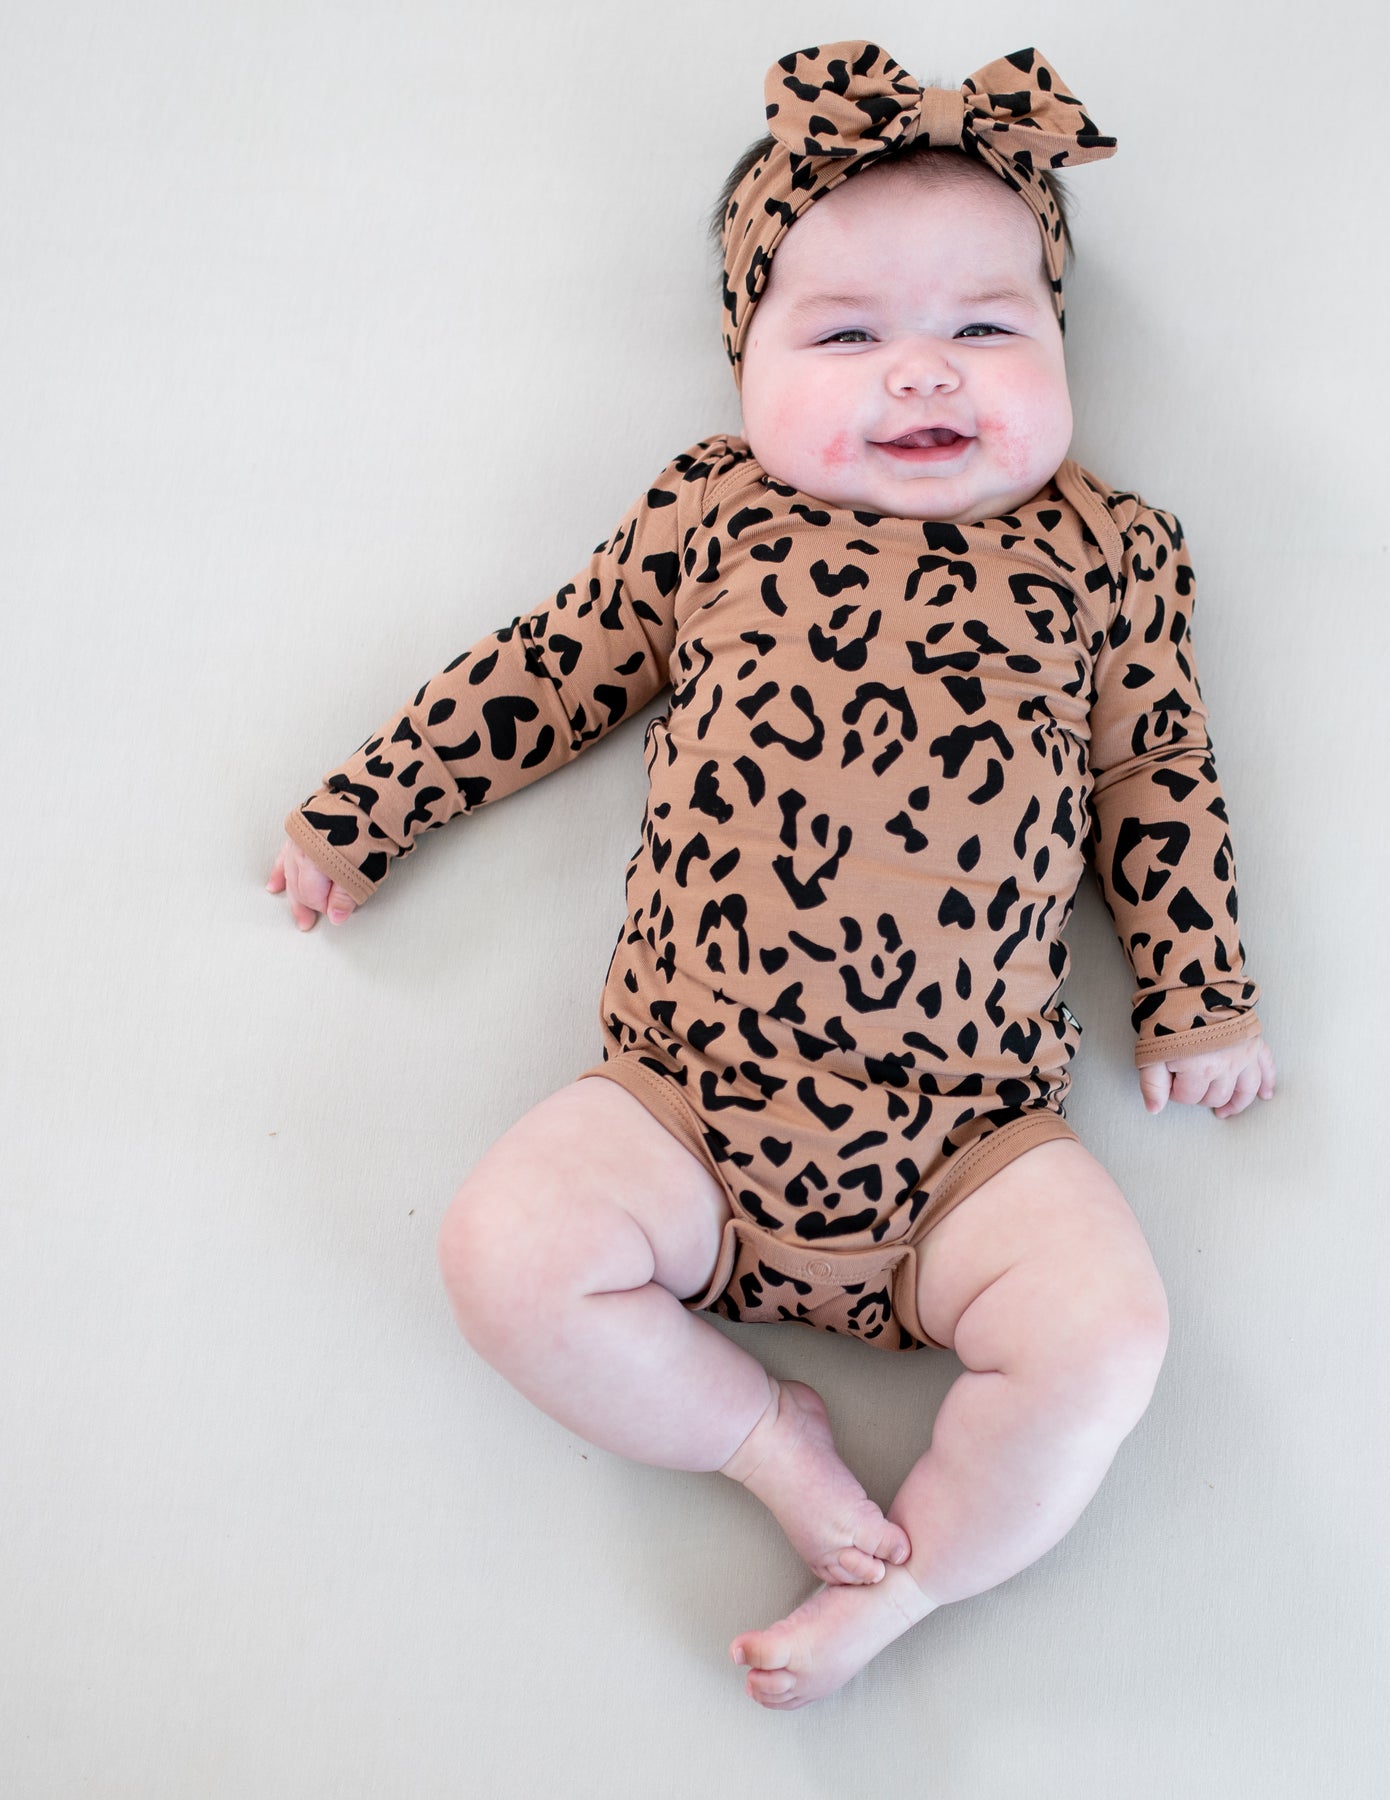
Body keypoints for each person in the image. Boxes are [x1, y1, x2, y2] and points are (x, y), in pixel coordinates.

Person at [266, 41, 1276, 1709]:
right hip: (684, 1108)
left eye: (987, 329)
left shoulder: (1108, 551)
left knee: (1107, 1337)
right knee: (504, 1251)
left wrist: (1200, 994)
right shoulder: (717, 517)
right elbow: (549, 671)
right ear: (745, 355)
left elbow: (1155, 778)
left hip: (970, 1151)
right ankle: (760, 1439)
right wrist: (370, 807)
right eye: (847, 335)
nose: (923, 373)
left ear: (1059, 341)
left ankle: (910, 1580)